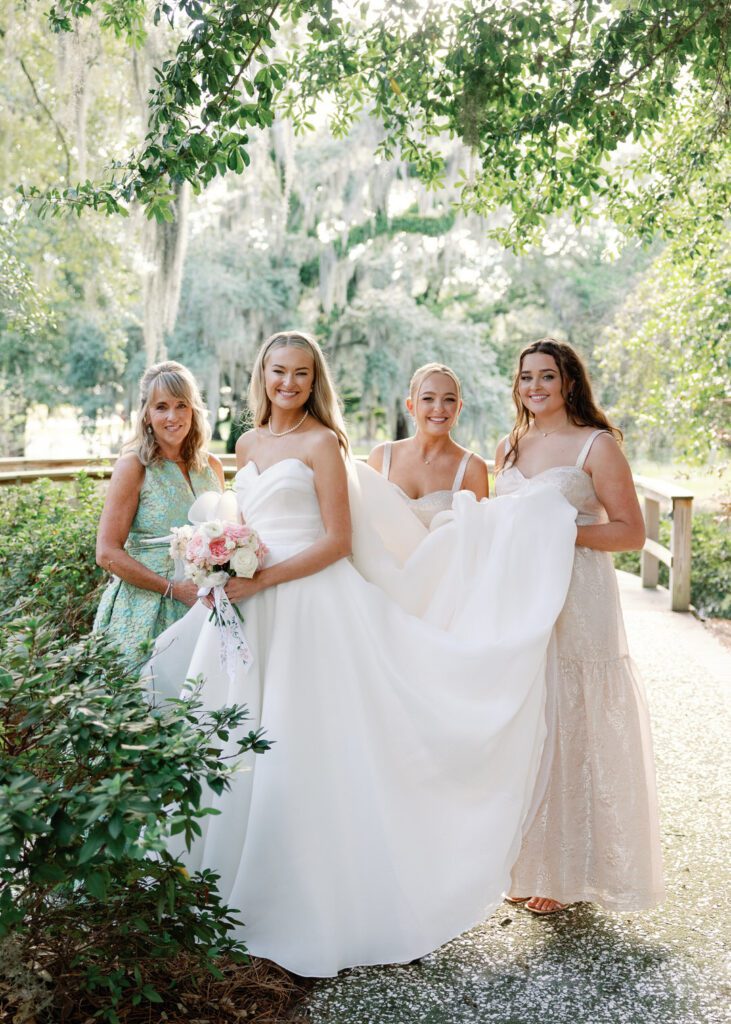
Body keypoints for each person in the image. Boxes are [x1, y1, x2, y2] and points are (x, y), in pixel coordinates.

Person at [149, 330, 579, 977]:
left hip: (305, 600)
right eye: (276, 372)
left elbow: (337, 541)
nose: (287, 384)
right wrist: (222, 562)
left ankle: (305, 895)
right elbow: (244, 522)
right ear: (260, 376)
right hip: (246, 601)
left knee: (300, 744)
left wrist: (261, 577)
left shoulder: (324, 443)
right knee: (234, 736)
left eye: (299, 373)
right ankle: (224, 885)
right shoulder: (245, 443)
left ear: (312, 379)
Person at [494, 338, 664, 915]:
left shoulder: (597, 445)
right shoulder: (510, 445)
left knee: (575, 718)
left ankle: (569, 873)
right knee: (533, 718)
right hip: (523, 595)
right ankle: (529, 860)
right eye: (525, 378)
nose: (534, 387)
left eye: (546, 376)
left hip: (579, 594)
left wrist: (559, 532)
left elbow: (629, 533)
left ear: (569, 382)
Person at [94, 360, 224, 661]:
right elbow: (107, 552)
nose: (173, 417)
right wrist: (173, 590)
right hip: (148, 606)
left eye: (182, 405)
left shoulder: (211, 466)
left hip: (206, 606)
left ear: (193, 410)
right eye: (161, 407)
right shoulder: (133, 466)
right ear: (146, 414)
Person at [368, 362, 489, 528]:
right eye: (428, 398)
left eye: (449, 400)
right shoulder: (381, 457)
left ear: (459, 407)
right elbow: (366, 525)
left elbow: (477, 538)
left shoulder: (472, 468)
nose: (439, 408)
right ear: (411, 406)